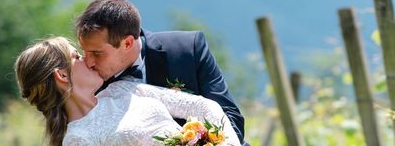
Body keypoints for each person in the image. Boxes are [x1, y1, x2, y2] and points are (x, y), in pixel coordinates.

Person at [75, 0, 247, 145]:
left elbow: (231, 119)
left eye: (97, 53)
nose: (88, 62)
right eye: (84, 51)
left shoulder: (187, 50)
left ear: (127, 43)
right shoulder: (89, 83)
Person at [15, 36, 241, 146]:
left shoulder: (121, 89)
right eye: (77, 57)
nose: (88, 60)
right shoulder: (76, 140)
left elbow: (201, 105)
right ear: (62, 75)